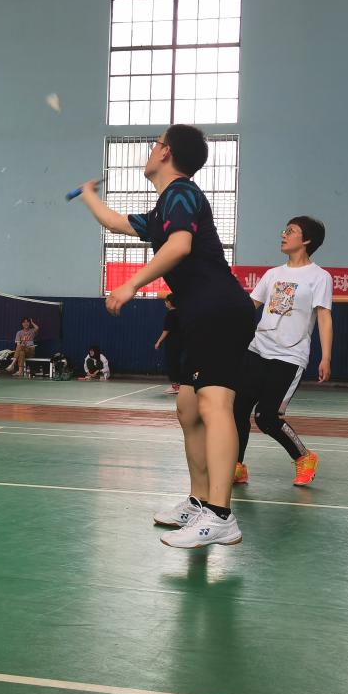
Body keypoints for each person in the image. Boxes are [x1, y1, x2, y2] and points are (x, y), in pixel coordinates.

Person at [77, 124, 256, 548]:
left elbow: (179, 247)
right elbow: (116, 222)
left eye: (155, 144)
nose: (150, 150)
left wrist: (130, 285)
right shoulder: (164, 208)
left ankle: (220, 516)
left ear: (165, 152)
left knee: (214, 404)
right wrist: (88, 196)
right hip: (199, 313)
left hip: (219, 308)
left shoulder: (182, 192)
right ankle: (199, 502)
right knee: (188, 408)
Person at [233, 217, 333, 487]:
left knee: (266, 417)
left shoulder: (319, 277)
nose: (283, 235)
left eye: (291, 231)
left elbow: (324, 317)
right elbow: (250, 306)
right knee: (237, 408)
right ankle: (237, 466)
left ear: (307, 240)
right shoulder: (272, 274)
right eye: (284, 230)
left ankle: (304, 457)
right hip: (258, 349)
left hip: (289, 356)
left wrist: (325, 356)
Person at [154, 293, 182, 394]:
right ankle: (180, 385)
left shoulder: (170, 314)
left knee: (172, 363)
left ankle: (175, 386)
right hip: (181, 342)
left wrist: (158, 341)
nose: (165, 303)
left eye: (166, 301)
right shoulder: (181, 313)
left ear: (170, 302)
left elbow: (166, 330)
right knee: (178, 363)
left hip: (172, 343)